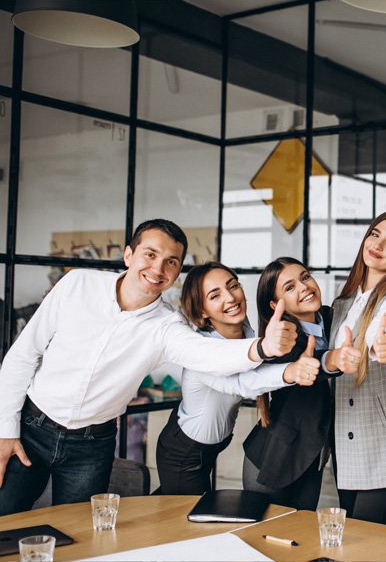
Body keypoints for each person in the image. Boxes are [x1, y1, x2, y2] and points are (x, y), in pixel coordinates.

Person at [0, 219, 297, 515]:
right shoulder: (78, 284)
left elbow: (207, 353)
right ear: (129, 255)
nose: (158, 269)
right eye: (150, 254)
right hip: (30, 429)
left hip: (92, 447)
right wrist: (5, 430)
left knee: (74, 534)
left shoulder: (168, 326)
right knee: (5, 516)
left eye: (171, 262)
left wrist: (262, 347)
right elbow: (23, 355)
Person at [156, 262, 319, 495]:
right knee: (186, 520)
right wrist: (291, 371)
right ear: (202, 311)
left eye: (233, 286)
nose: (230, 298)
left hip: (211, 446)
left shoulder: (244, 329)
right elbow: (242, 383)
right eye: (215, 295)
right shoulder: (201, 352)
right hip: (184, 452)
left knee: (186, 509)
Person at [242, 256, 361, 510]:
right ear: (275, 305)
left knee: (300, 538)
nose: (304, 287)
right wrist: (333, 359)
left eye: (305, 277)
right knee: (264, 539)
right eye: (289, 287)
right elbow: (312, 364)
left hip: (312, 455)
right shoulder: (282, 340)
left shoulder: (332, 319)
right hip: (275, 456)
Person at [331, 210, 386, 526]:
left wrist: (380, 342)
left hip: (385, 443)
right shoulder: (342, 303)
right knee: (350, 537)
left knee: (369, 544)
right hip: (346, 441)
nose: (379, 245)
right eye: (375, 234)